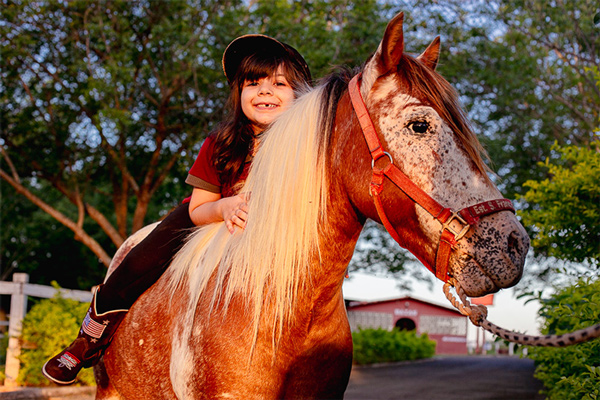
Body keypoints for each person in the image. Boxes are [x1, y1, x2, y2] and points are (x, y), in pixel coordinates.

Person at [42, 34, 312, 385]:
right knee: (136, 262)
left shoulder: (306, 151)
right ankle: (88, 339)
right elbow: (200, 208)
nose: (265, 92)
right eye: (253, 83)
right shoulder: (221, 143)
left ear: (301, 97)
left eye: (279, 84)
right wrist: (225, 205)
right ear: (239, 93)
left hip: (270, 234)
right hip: (206, 217)